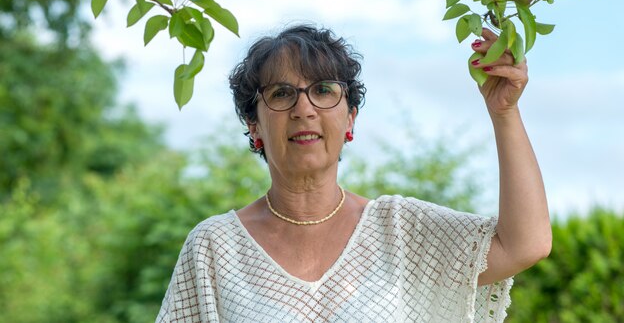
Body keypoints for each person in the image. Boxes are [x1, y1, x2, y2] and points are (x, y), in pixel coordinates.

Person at [156, 24, 551, 322]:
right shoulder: (215, 248)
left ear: (351, 118)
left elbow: (524, 244)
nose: (303, 109)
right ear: (254, 125)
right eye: (281, 93)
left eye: (324, 90)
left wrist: (504, 112)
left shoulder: (400, 230)